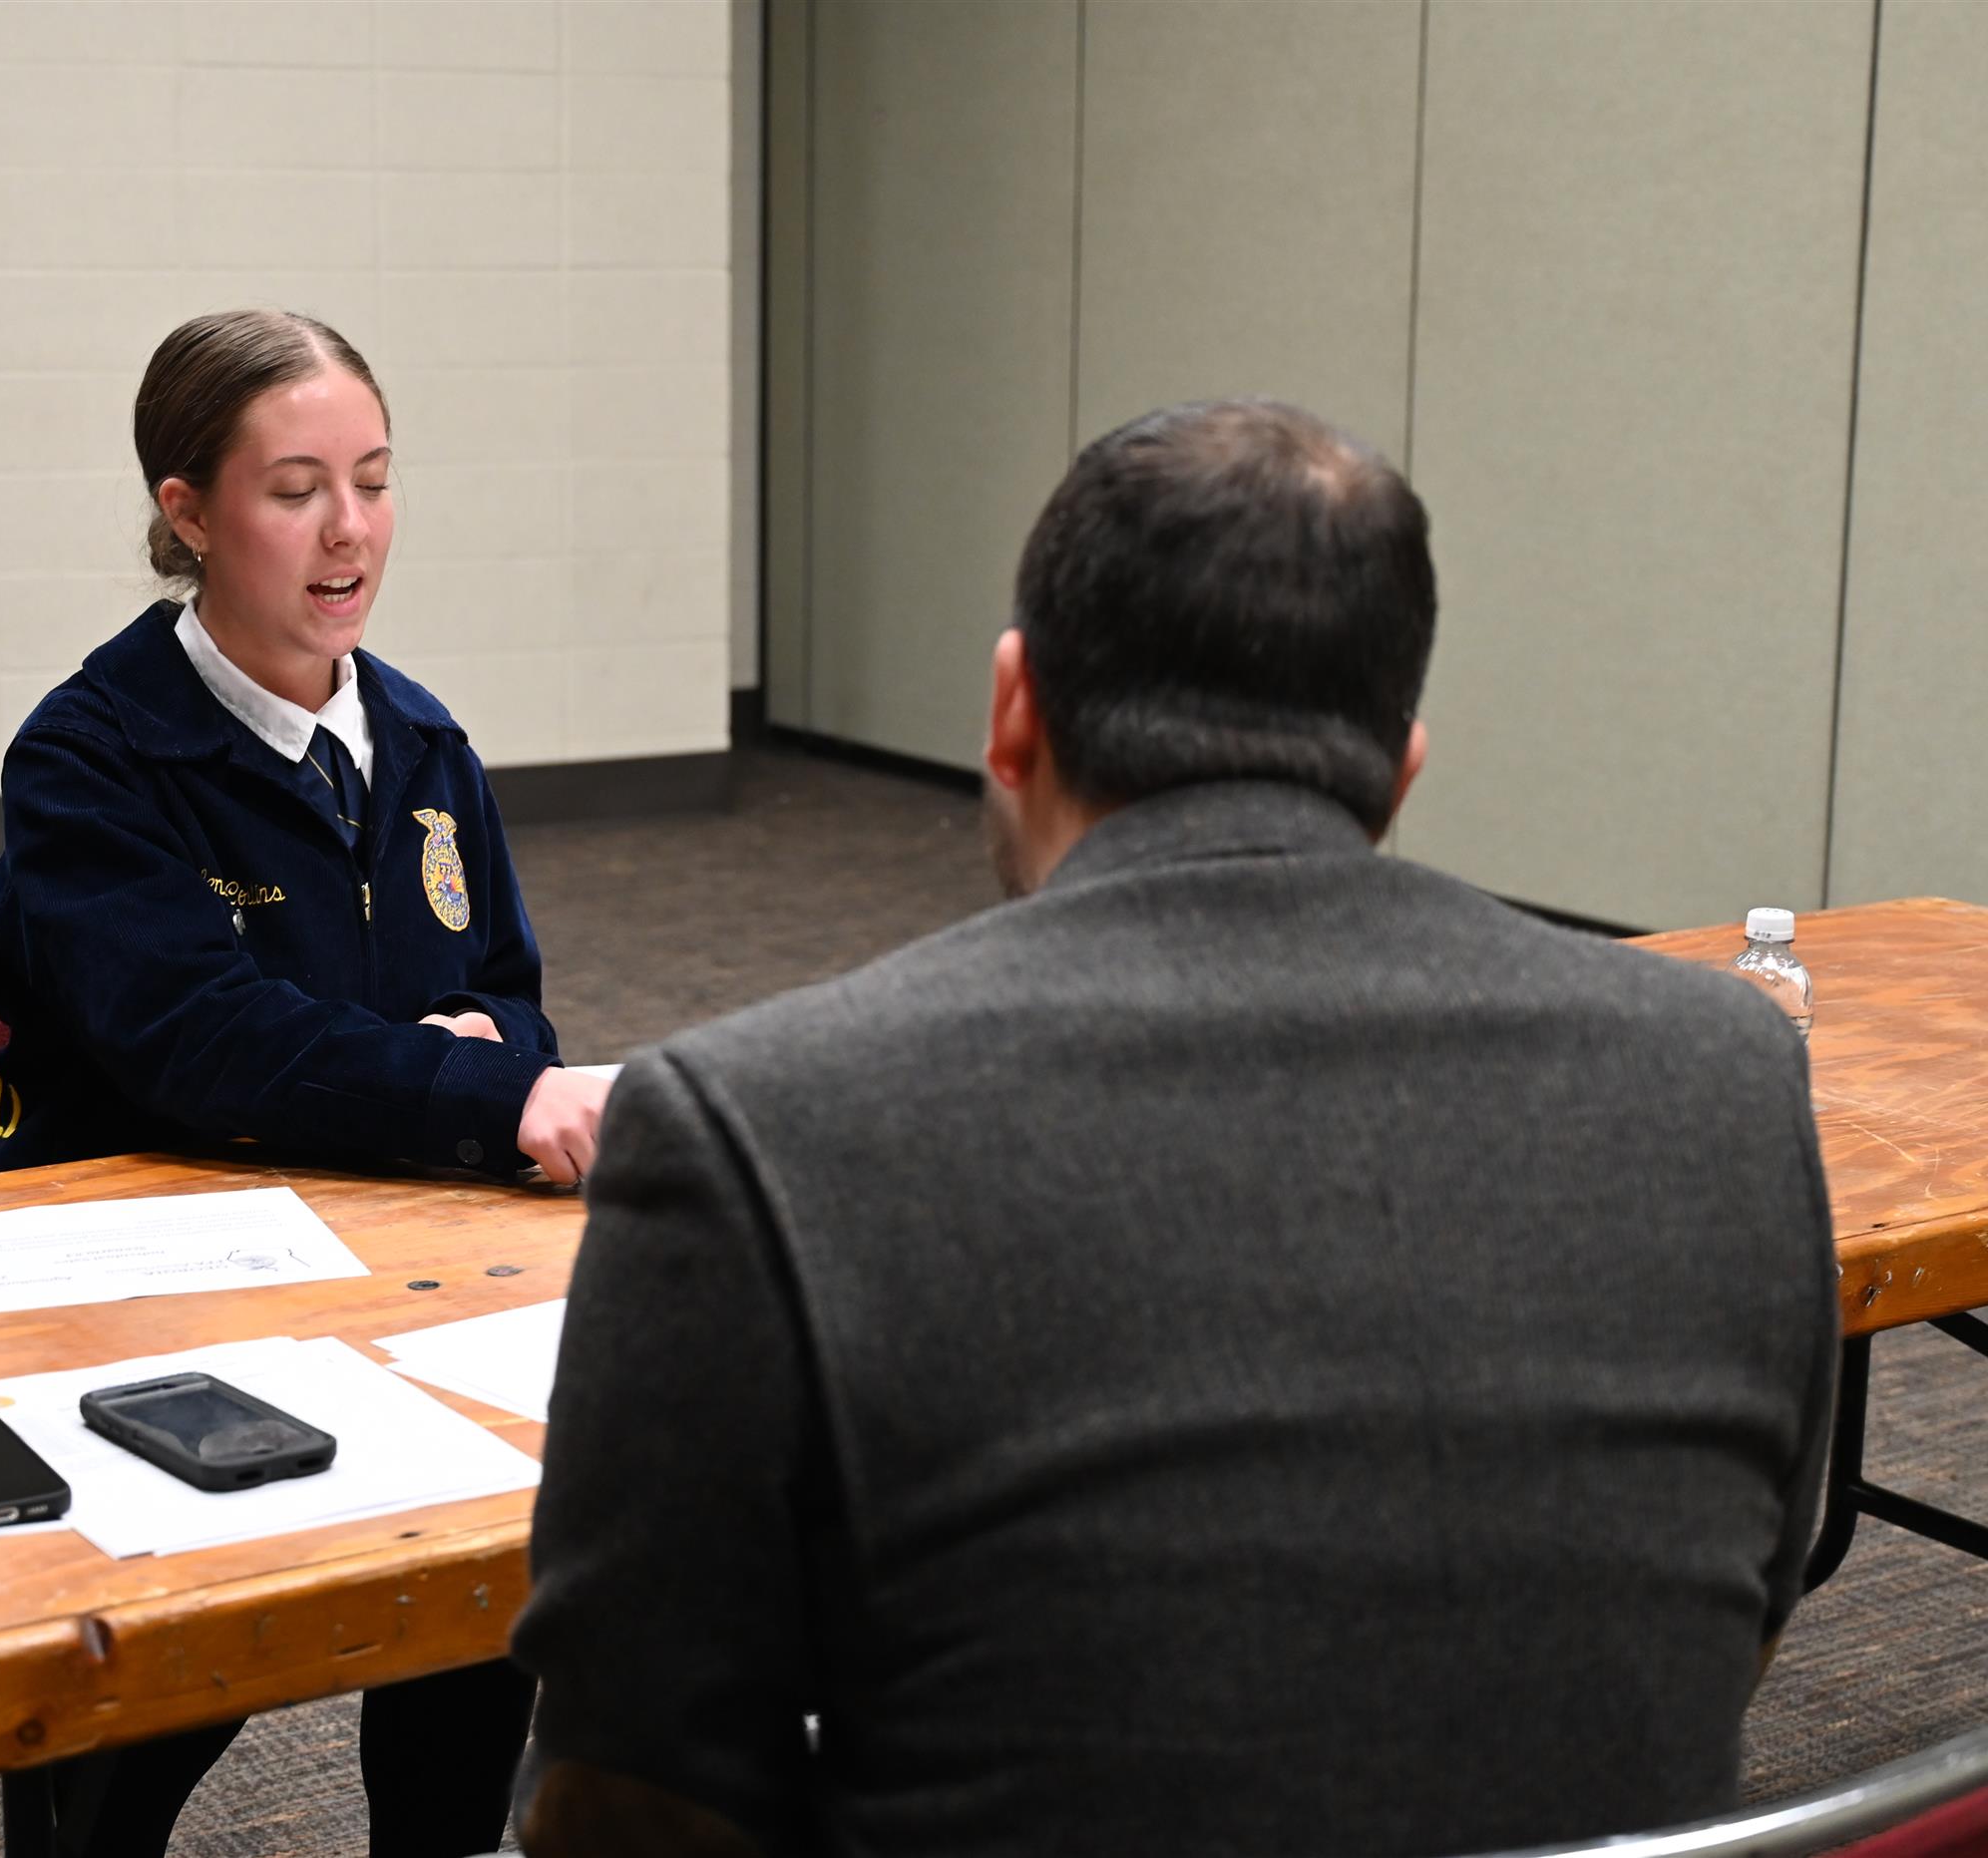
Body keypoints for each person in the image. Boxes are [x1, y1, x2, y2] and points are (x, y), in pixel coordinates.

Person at [511, 400, 1839, 1858]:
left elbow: (631, 1799)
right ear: (1400, 765)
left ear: (1013, 713)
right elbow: (1741, 1622)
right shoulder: (1729, 1076)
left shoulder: (755, 1125)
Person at [0, 309, 601, 1856]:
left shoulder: (423, 742)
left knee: (485, 1584)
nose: (350, 531)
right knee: (194, 1651)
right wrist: (461, 1080)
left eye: (374, 481)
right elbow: (209, 1044)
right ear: (187, 513)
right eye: (297, 488)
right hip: (155, 1275)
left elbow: (508, 1000)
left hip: (388, 1249)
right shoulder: (93, 756)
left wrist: (477, 1053)